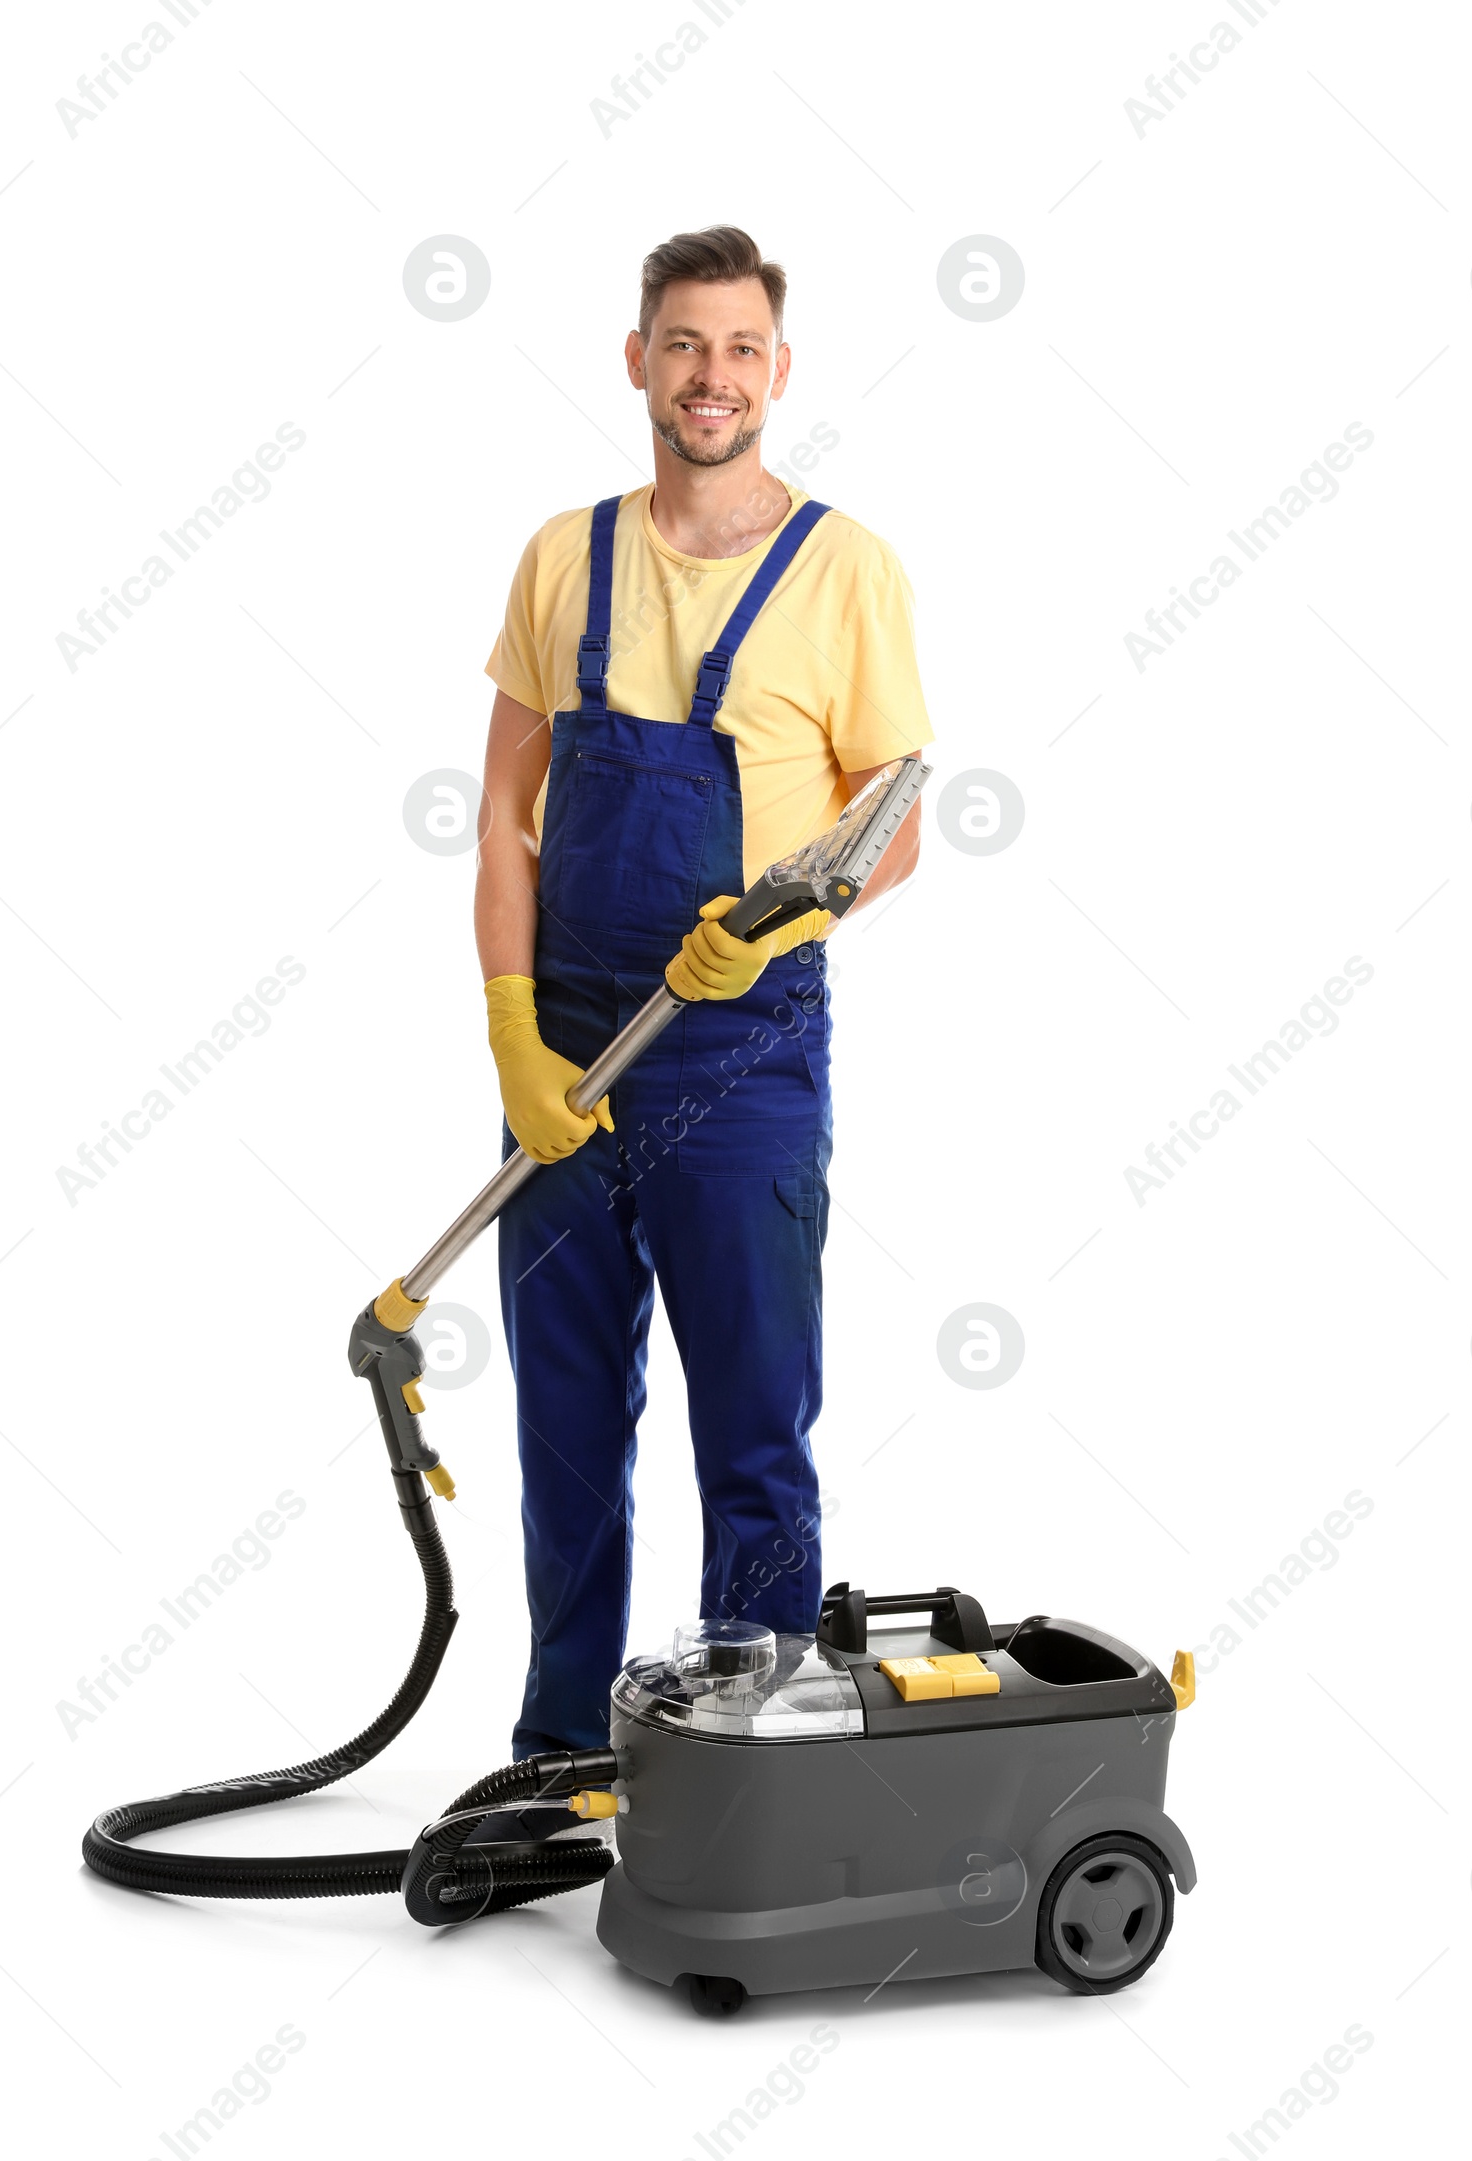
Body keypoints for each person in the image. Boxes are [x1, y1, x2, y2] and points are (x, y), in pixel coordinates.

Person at [472, 225, 932, 1833]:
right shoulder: (562, 557)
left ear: (778, 372)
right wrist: (515, 1033)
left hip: (743, 1057)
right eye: (683, 344)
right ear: (638, 359)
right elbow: (504, 827)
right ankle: (563, 1749)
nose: (712, 377)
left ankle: (752, 1750)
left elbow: (895, 828)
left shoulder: (846, 570)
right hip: (575, 1055)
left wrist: (787, 927)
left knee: (753, 1414)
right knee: (565, 1416)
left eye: (741, 349)